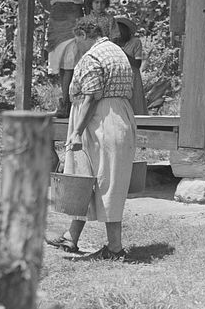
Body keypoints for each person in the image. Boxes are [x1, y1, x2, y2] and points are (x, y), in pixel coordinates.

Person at [44, 17, 138, 261]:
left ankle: (115, 249)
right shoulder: (117, 52)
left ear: (85, 35)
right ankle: (71, 237)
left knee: (103, 180)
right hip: (121, 116)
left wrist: (76, 131)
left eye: (77, 40)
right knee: (86, 179)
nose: (77, 46)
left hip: (100, 122)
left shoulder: (93, 57)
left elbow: (91, 97)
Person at [37, 0, 90, 118]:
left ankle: (66, 101)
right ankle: (66, 100)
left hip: (75, 17)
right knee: (60, 63)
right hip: (57, 18)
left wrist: (89, 22)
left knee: (71, 61)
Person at [115, 16, 148, 115]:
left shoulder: (135, 42)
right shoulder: (111, 43)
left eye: (120, 31)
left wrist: (122, 52)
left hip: (133, 76)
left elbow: (137, 64)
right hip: (118, 77)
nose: (118, 34)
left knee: (134, 101)